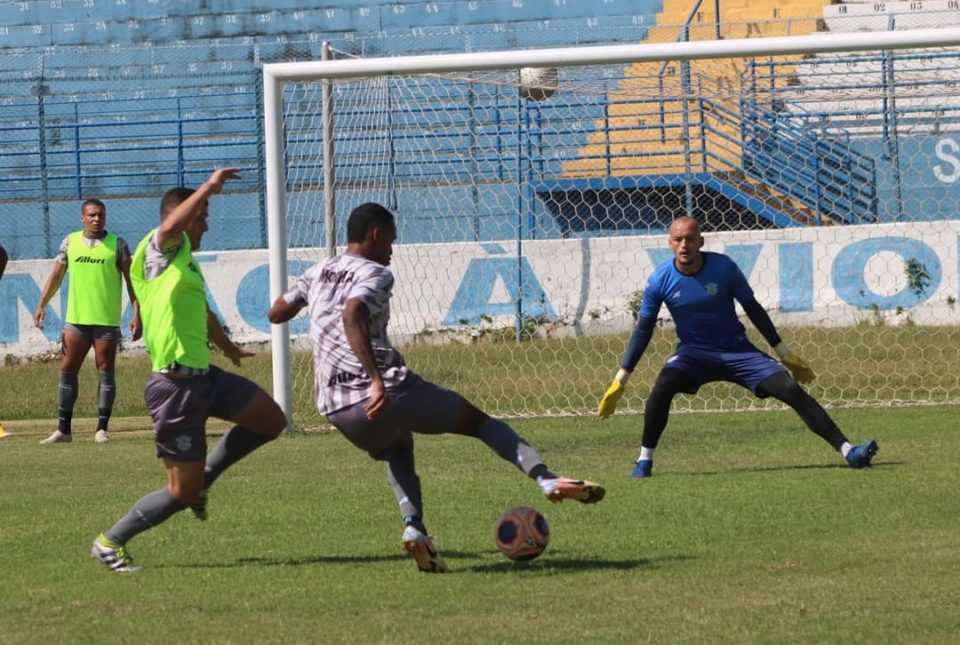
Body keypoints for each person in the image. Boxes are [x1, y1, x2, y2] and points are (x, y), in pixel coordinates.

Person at [268, 202, 605, 574]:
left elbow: (276, 312)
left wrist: (309, 300)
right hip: (387, 390)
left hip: (335, 405)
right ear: (376, 234)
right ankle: (545, 478)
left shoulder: (317, 272)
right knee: (480, 423)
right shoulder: (375, 273)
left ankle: (415, 529)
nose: (391, 252)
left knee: (398, 448)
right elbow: (353, 313)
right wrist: (377, 381)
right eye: (391, 241)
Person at [90, 168, 286, 573]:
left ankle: (205, 480)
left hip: (206, 378)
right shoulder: (156, 251)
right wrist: (209, 187)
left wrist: (230, 348)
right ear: (181, 217)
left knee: (271, 420)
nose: (207, 224)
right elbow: (170, 225)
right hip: (174, 387)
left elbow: (205, 313)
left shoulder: (186, 265)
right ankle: (110, 542)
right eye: (202, 216)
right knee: (180, 492)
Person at [598, 216, 878, 477]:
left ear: (701, 241)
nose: (684, 245)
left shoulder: (724, 268)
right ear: (669, 243)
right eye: (678, 239)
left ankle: (849, 452)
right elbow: (644, 329)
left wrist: (783, 352)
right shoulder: (660, 279)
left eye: (690, 238)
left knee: (790, 389)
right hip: (693, 355)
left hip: (738, 351)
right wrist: (621, 378)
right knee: (663, 385)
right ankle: (644, 460)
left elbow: (753, 309)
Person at [33, 199, 142, 444]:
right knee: (67, 371)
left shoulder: (118, 244)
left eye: (100, 215)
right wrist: (41, 304)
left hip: (106, 321)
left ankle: (102, 429)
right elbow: (56, 276)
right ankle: (64, 430)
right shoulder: (69, 242)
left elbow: (132, 281)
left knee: (105, 372)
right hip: (76, 321)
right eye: (91, 215)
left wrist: (137, 313)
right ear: (82, 217)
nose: (96, 219)